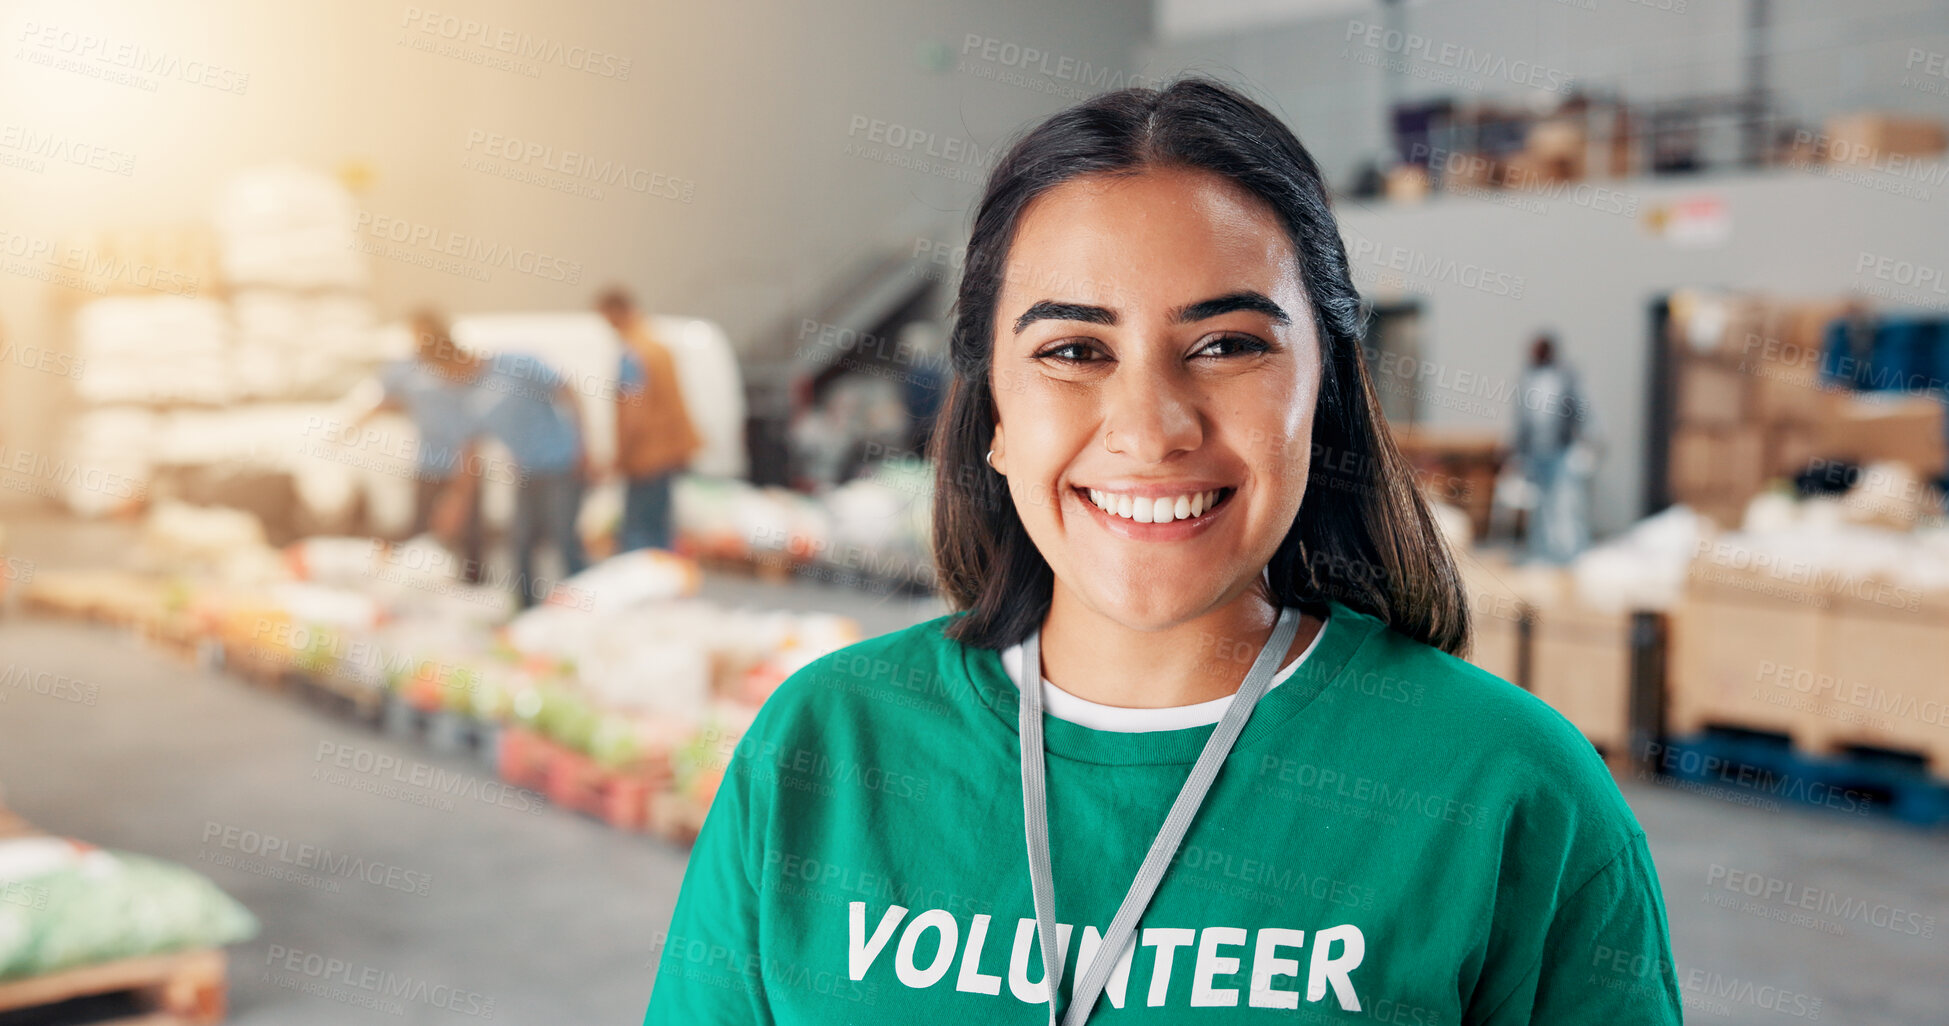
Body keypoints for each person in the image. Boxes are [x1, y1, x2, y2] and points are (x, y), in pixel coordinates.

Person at [645, 79, 1680, 1024]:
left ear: (1321, 394)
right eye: (1071, 351)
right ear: (991, 413)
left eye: (1226, 345)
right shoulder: (823, 751)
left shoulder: (1508, 792)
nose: (1150, 428)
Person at [424, 325, 593, 607]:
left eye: (445, 372)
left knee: (564, 539)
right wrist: (454, 503)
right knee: (519, 543)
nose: (445, 382)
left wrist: (584, 446)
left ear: (455, 358)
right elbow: (470, 452)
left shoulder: (516, 364)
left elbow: (567, 391)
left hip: (561, 464)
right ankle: (526, 609)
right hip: (526, 471)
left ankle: (588, 605)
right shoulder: (464, 396)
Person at [358, 310, 484, 582]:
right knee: (420, 534)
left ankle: (474, 599)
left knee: (468, 539)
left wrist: (460, 492)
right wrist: (354, 424)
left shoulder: (460, 365)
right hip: (428, 465)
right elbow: (391, 400)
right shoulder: (408, 369)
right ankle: (417, 591)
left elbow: (474, 431)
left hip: (462, 465)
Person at [598, 287, 701, 553]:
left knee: (637, 531)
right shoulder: (659, 347)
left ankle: (645, 586)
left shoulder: (632, 354)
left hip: (644, 457)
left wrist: (621, 456)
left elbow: (634, 412)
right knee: (660, 526)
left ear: (615, 314)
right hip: (667, 453)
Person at [1511, 333, 1596, 564]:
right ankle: (1543, 554)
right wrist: (1516, 452)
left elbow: (1582, 408)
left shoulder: (1566, 376)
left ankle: (1572, 555)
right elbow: (1522, 419)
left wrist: (1588, 439)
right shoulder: (1528, 378)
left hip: (1561, 451)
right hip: (1536, 453)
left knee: (1566, 505)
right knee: (1540, 507)